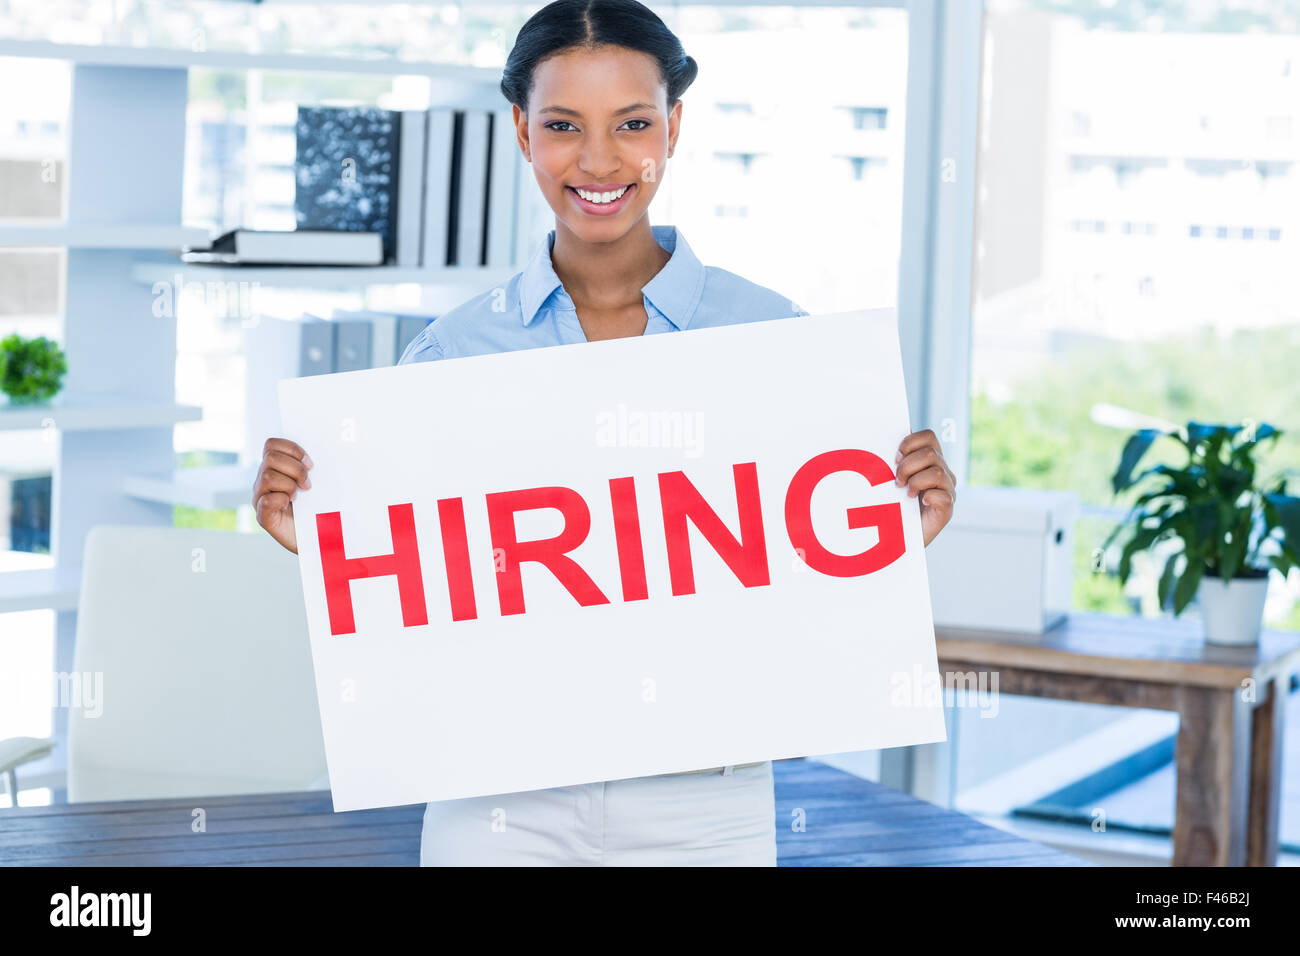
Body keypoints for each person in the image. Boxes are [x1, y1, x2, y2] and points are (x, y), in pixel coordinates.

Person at [253, 0, 957, 866]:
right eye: (561, 125)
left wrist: (894, 527)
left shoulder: (777, 344)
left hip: (709, 801)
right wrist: (322, 537)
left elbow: (790, 583)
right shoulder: (450, 354)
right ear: (520, 129)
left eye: (632, 124)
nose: (597, 160)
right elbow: (428, 584)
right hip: (500, 798)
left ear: (675, 126)